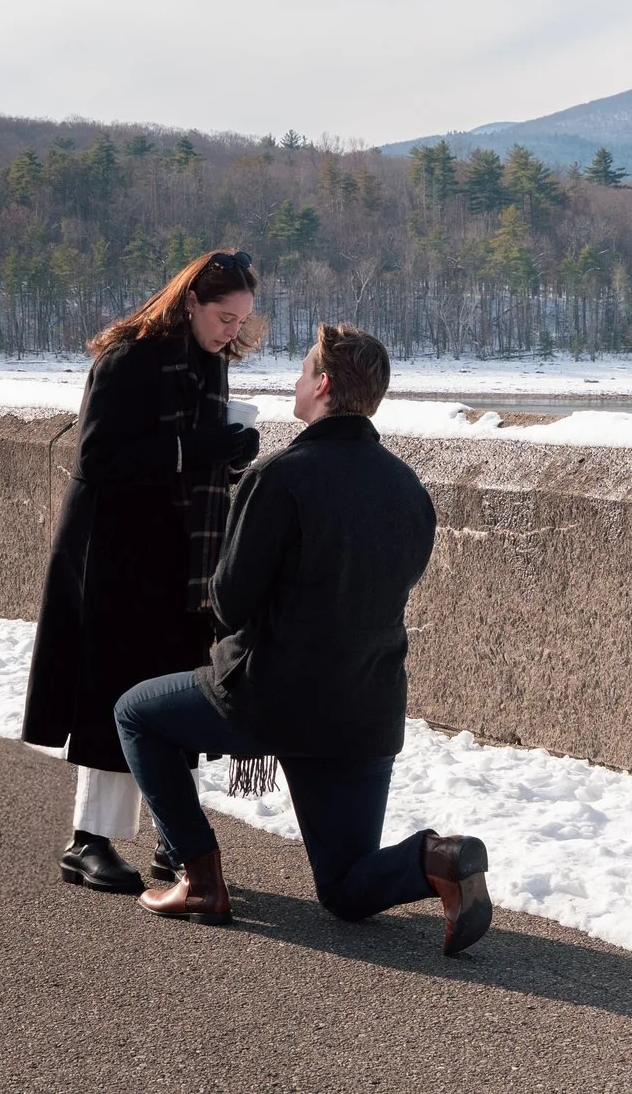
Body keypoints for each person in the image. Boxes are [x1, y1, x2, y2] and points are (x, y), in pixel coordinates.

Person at [113, 324, 491, 955]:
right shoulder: (407, 489)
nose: (294, 381)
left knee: (136, 714)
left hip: (273, 700)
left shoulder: (280, 478)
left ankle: (200, 876)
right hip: (365, 711)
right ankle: (439, 858)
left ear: (322, 385)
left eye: (303, 369)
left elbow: (230, 605)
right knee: (345, 890)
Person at [21, 249, 265, 893]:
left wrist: (230, 457)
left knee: (169, 697)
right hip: (116, 553)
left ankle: (174, 841)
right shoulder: (129, 359)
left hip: (182, 556)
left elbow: (192, 463)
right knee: (115, 695)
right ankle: (88, 841)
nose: (231, 332)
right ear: (190, 302)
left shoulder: (209, 364)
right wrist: (198, 448)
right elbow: (98, 457)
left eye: (240, 321)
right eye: (223, 317)